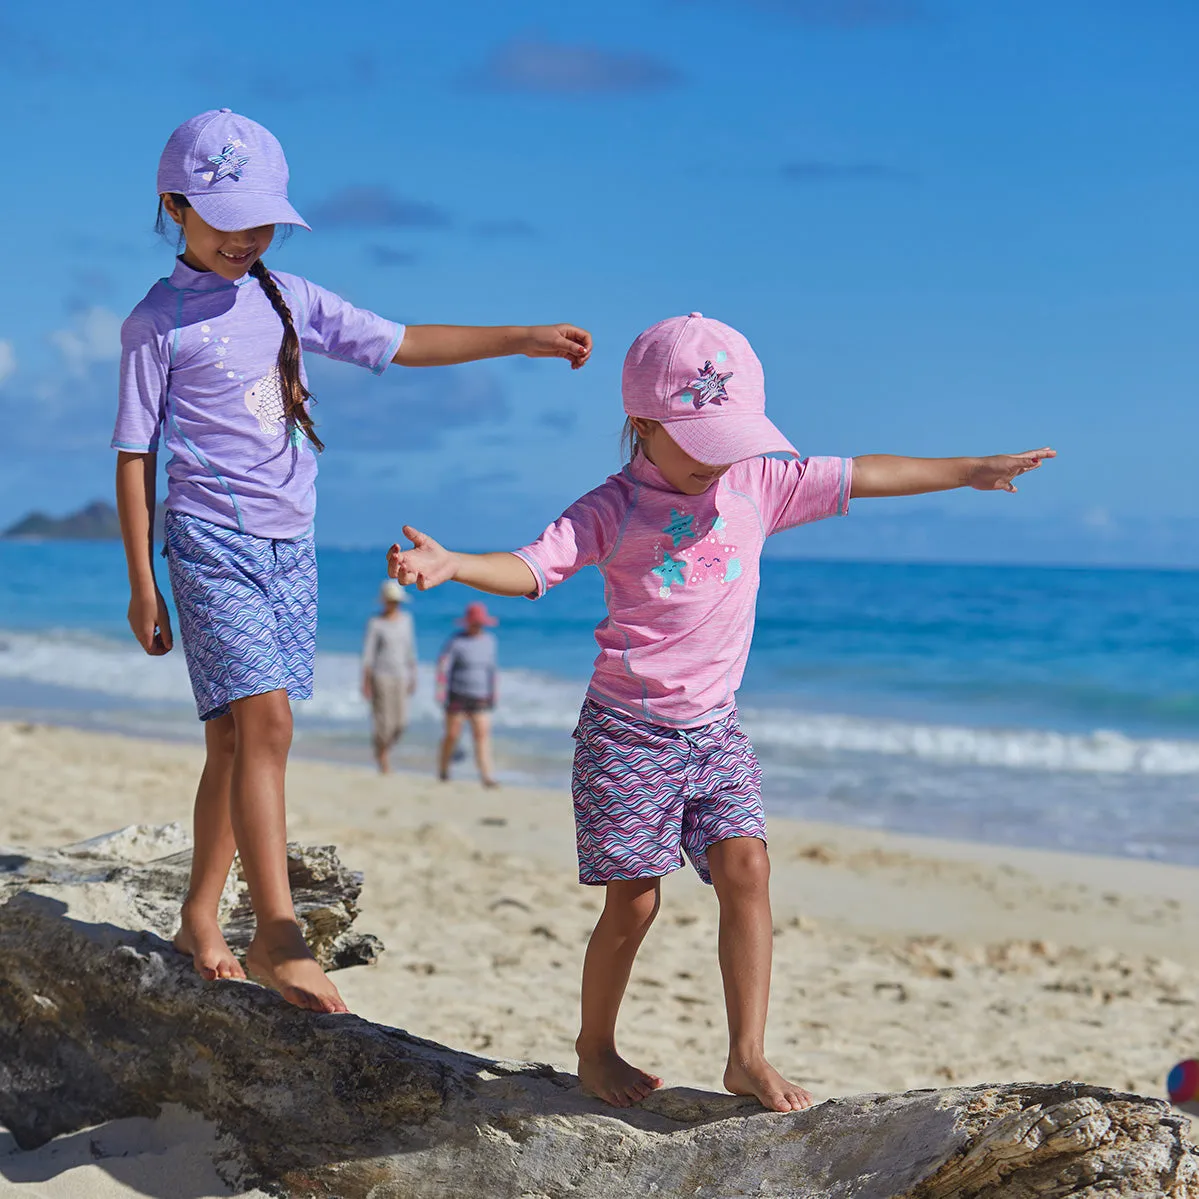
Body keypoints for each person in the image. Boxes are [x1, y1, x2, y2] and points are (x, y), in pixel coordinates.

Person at [388, 312, 1054, 1111]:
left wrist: (968, 469)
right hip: (627, 732)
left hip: (715, 729)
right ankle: (594, 1044)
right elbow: (533, 567)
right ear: (640, 424)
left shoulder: (759, 485)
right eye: (701, 441)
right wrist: (454, 562)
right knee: (633, 899)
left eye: (729, 440)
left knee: (748, 869)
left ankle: (746, 1055)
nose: (718, 461)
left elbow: (864, 474)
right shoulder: (613, 506)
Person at [112, 109, 592, 1015]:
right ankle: (276, 934)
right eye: (226, 219)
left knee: (234, 736)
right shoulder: (155, 323)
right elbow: (135, 457)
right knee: (268, 726)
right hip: (211, 540)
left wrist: (519, 337)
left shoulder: (287, 296)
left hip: (292, 545)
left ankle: (198, 919)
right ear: (175, 206)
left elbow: (404, 341)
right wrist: (142, 579)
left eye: (261, 221)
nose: (246, 237)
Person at [436, 601, 500, 788]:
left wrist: (493, 693)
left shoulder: (490, 641)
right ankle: (444, 769)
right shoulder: (456, 642)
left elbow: (492, 669)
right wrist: (441, 691)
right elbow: (443, 666)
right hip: (457, 694)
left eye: (480, 623)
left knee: (482, 736)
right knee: (452, 735)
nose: (477, 626)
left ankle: (487, 776)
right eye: (475, 623)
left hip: (481, 696)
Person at [362, 580, 418, 774]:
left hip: (401, 675)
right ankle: (383, 758)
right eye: (391, 601)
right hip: (381, 676)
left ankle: (383, 750)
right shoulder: (376, 623)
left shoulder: (406, 620)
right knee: (383, 722)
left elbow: (410, 650)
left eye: (397, 601)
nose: (394, 604)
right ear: (385, 601)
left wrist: (413, 675)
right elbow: (368, 655)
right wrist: (366, 682)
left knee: (401, 722)